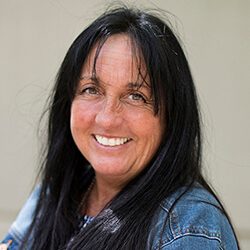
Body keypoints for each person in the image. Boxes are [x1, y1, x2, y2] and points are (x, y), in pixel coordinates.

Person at [1, 6, 239, 250]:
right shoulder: (56, 192)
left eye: (136, 96)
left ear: (173, 115)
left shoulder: (189, 227)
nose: (107, 119)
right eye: (91, 90)